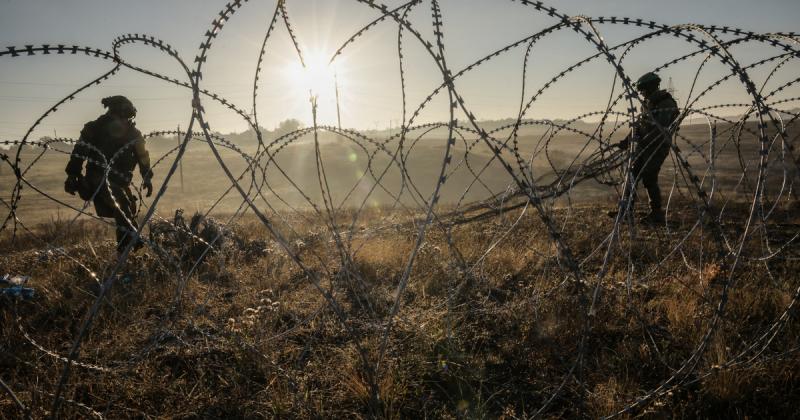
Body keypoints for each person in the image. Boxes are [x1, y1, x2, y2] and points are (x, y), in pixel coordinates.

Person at [64, 95, 153, 253]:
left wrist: (147, 176)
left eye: (127, 116)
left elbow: (142, 155)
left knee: (128, 209)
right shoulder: (94, 128)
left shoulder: (133, 133)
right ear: (114, 111)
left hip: (121, 179)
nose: (124, 119)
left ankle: (129, 251)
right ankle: (125, 250)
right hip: (98, 176)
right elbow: (79, 152)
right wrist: (72, 174)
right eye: (122, 114)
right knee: (122, 204)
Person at [615, 72, 679, 224]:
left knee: (649, 177)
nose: (642, 94)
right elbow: (640, 125)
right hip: (644, 146)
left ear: (651, 87)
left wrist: (642, 141)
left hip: (657, 147)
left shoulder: (666, 103)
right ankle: (626, 210)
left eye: (643, 90)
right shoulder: (649, 103)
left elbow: (660, 129)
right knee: (632, 175)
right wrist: (627, 140)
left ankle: (656, 214)